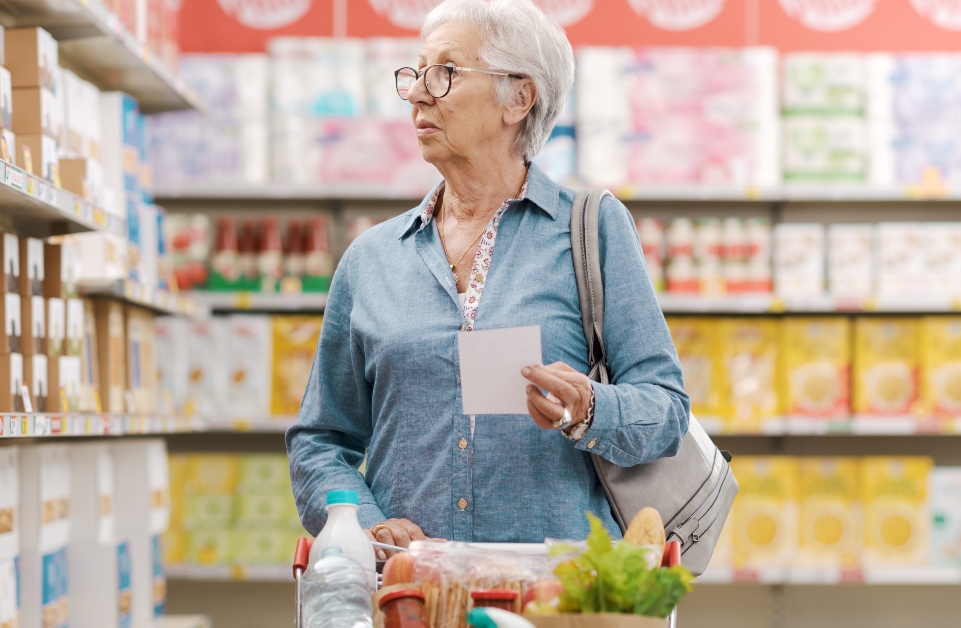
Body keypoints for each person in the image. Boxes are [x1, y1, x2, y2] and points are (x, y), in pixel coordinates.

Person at [286, 0, 689, 554]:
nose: (418, 93)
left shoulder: (590, 232)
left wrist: (590, 408)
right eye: (416, 73)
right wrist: (362, 525)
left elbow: (666, 410)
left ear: (518, 98)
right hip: (408, 590)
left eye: (445, 72)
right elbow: (321, 440)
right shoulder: (371, 259)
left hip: (554, 593)